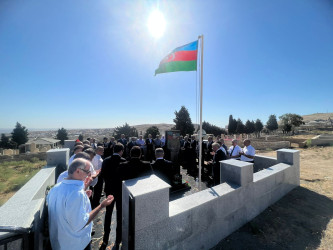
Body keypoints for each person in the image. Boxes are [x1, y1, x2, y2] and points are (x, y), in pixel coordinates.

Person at [47, 158, 114, 250]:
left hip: (59, 242)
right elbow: (81, 223)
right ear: (78, 171)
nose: (89, 175)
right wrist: (101, 206)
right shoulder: (77, 194)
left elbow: (65, 208)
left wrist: (83, 192)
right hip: (76, 244)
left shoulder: (55, 188)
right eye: (87, 172)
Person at [100, 143, 127, 249]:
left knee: (108, 213)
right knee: (120, 215)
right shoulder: (124, 161)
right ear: (121, 151)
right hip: (120, 191)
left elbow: (102, 175)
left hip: (109, 190)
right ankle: (118, 239)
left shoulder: (106, 160)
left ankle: (105, 238)